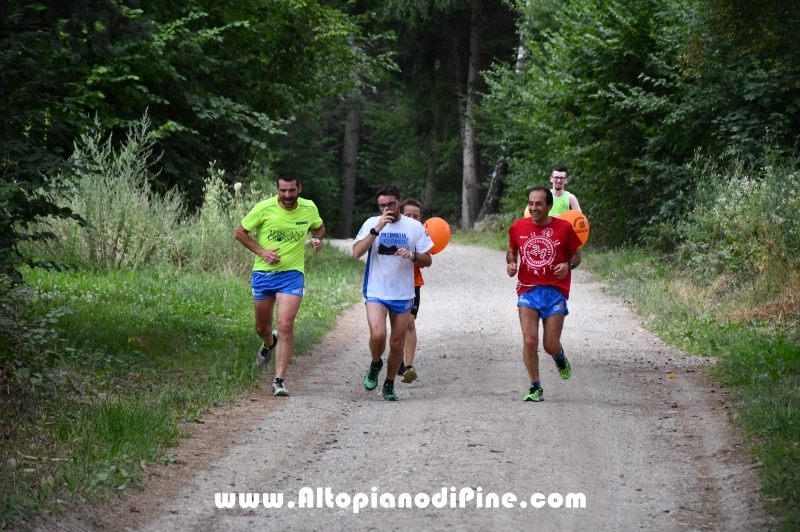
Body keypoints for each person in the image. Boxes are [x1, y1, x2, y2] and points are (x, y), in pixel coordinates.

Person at [235, 171, 325, 397]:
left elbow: (319, 226)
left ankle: (279, 380)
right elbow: (240, 232)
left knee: (285, 325)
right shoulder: (263, 208)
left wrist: (317, 239)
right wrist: (262, 252)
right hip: (264, 274)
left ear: (299, 189)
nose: (287, 195)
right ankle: (268, 342)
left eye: (291, 190)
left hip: (292, 274)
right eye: (283, 190)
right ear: (277, 190)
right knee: (262, 328)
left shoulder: (309, 207)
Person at [353, 185, 433, 401]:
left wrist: (413, 255)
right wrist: (377, 228)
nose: (387, 208)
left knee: (397, 343)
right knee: (378, 334)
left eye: (391, 204)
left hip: (403, 293)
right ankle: (375, 363)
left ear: (399, 201)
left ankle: (389, 384)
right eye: (382, 205)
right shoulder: (372, 223)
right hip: (376, 290)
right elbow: (357, 252)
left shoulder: (414, 227)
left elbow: (428, 260)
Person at [507, 186, 582, 402]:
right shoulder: (518, 227)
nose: (534, 208)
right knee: (530, 341)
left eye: (539, 204)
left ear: (549, 206)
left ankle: (559, 356)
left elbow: (577, 255)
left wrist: (568, 265)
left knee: (550, 345)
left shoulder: (564, 228)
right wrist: (512, 262)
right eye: (531, 203)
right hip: (528, 291)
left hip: (555, 292)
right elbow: (512, 251)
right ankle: (535, 386)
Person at [396, 199, 426, 383]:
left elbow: (427, 259)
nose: (412, 219)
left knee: (409, 323)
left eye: (416, 216)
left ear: (421, 218)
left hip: (414, 284)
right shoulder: (394, 231)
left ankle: (408, 366)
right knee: (397, 324)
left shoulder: (421, 234)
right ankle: (396, 359)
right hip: (393, 284)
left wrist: (414, 254)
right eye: (408, 215)